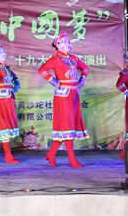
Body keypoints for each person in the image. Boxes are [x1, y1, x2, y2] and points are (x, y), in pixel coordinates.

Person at [37, 32, 89, 168]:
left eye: (68, 41)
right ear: (58, 45)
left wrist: (82, 79)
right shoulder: (55, 59)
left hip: (74, 93)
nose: (67, 44)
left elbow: (85, 68)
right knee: (66, 126)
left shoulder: (73, 58)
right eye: (64, 42)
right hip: (63, 95)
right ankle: (71, 159)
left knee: (69, 126)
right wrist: (54, 81)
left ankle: (51, 154)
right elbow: (42, 70)